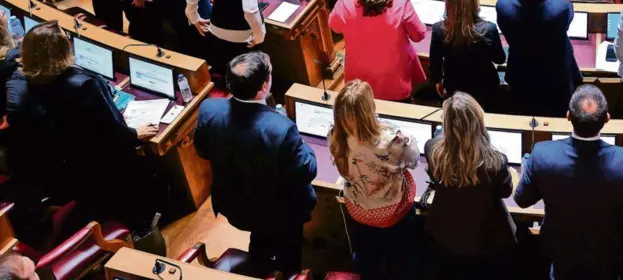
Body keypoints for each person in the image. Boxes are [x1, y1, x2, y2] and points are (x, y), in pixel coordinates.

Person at [5, 22, 160, 235]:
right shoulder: (84, 85)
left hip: (72, 165)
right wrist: (135, 134)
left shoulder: (30, 80)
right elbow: (113, 131)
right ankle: (142, 227)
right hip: (105, 164)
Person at [513, 84, 623, 279]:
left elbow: (522, 200)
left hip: (561, 251)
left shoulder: (542, 155)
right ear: (607, 118)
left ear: (568, 116)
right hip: (609, 252)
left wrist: (527, 170)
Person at [195, 52, 316, 275]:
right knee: (288, 249)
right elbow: (306, 171)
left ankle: (259, 263)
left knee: (260, 236)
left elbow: (202, 150)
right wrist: (303, 144)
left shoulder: (209, 109)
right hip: (279, 212)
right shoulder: (281, 129)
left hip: (234, 203)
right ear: (263, 87)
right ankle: (288, 272)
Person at [328, 81, 420, 280]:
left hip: (360, 213)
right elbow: (413, 162)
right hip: (395, 214)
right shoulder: (392, 140)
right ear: (370, 108)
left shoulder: (335, 137)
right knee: (402, 262)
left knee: (367, 261)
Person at [424, 93, 519, 277]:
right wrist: (513, 175)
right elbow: (506, 191)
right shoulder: (495, 161)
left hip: (445, 235)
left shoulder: (432, 149)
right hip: (485, 239)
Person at [329, 0, 426, 103]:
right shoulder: (400, 3)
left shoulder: (346, 0)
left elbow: (334, 26)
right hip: (394, 82)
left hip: (359, 81)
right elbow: (419, 35)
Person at [497, 0, 582, 116]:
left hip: (521, 76)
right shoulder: (560, 9)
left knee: (527, 111)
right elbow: (567, 7)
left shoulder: (504, 7)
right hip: (556, 79)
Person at [429, 0, 505, 107]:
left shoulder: (438, 30)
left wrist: (438, 81)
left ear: (448, 4)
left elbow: (435, 64)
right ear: (474, 1)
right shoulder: (489, 29)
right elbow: (499, 59)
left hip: (454, 90)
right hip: (485, 90)